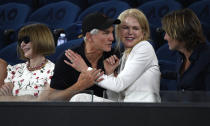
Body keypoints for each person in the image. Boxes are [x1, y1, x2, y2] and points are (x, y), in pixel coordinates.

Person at [65, 9, 161, 102]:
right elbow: (114, 99)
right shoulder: (125, 55)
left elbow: (119, 85)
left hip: (144, 112)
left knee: (80, 99)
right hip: (127, 110)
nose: (130, 32)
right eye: (125, 27)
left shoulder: (144, 47)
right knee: (80, 98)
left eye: (135, 28)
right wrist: (110, 73)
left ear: (143, 33)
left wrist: (85, 69)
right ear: (118, 31)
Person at [41, 12, 121, 101]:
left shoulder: (115, 56)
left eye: (112, 32)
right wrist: (79, 86)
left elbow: (122, 96)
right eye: (106, 33)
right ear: (89, 36)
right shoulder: (69, 58)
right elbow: (52, 98)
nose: (112, 38)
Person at [0, 23, 55, 101]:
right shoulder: (15, 69)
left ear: (40, 39)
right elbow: (1, 99)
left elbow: (40, 101)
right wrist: (26, 98)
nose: (22, 45)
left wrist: (11, 98)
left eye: (26, 40)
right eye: (20, 41)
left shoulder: (52, 70)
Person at [161, 8, 210, 90]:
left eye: (168, 33)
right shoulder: (181, 54)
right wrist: (161, 75)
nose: (165, 37)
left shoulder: (207, 57)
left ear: (181, 33)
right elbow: (188, 75)